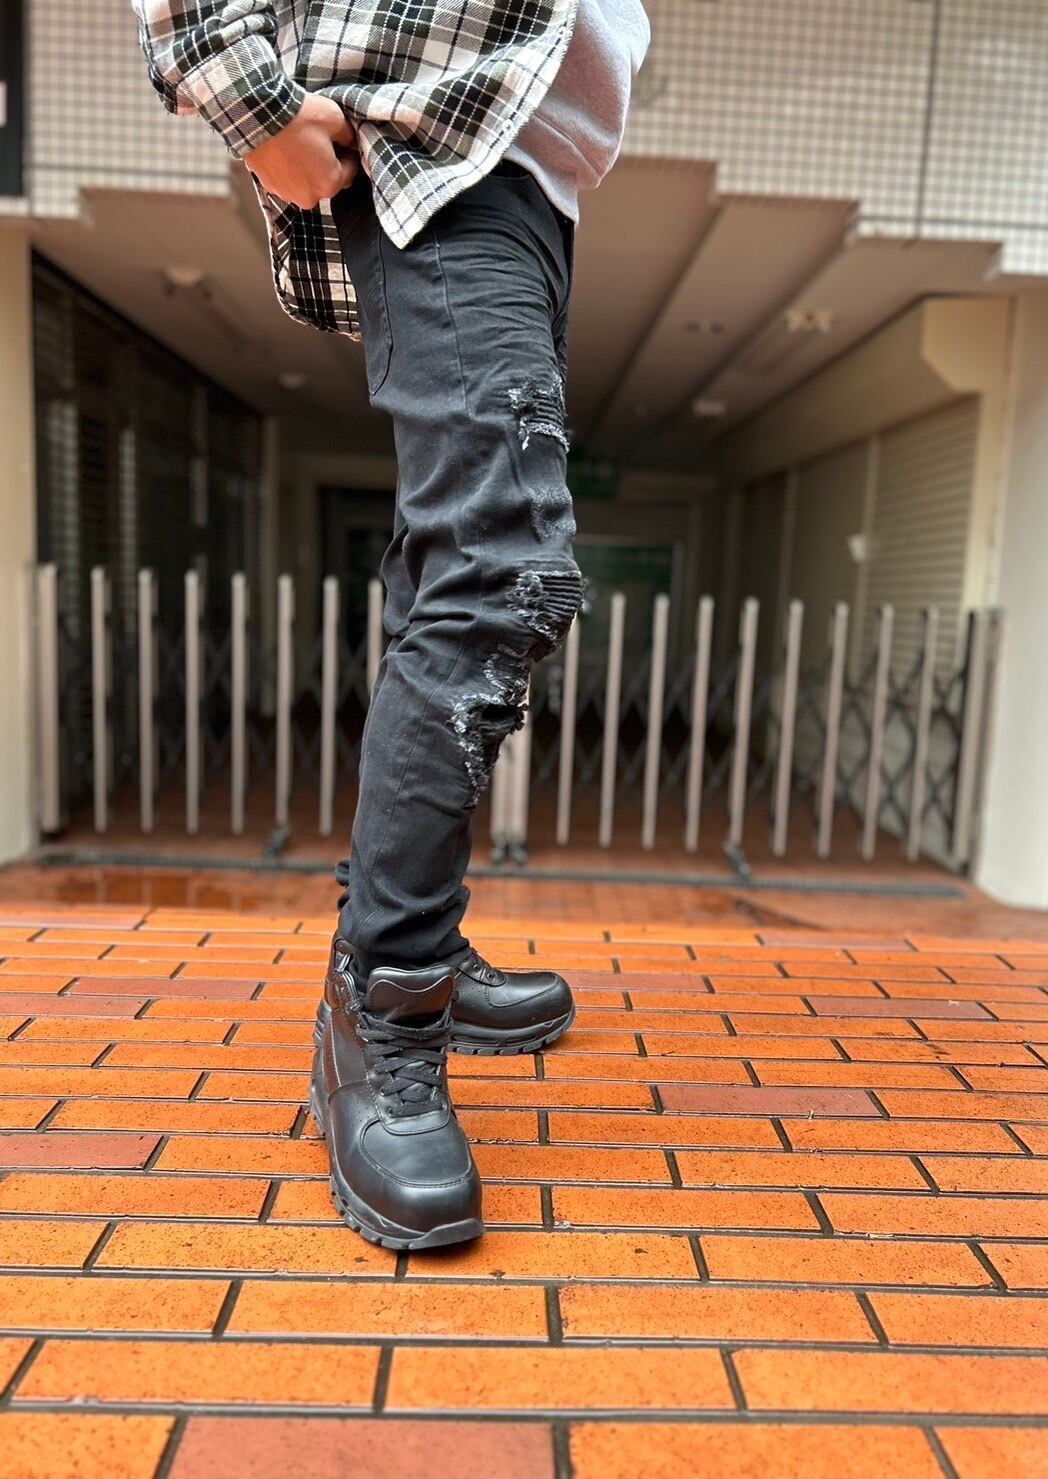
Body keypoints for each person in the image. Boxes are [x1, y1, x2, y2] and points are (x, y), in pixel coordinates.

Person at [133, 0, 651, 1249]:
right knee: (500, 574)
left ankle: (422, 946)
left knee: (446, 568)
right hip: (436, 158)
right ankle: (385, 1011)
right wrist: (251, 103)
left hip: (526, 184)